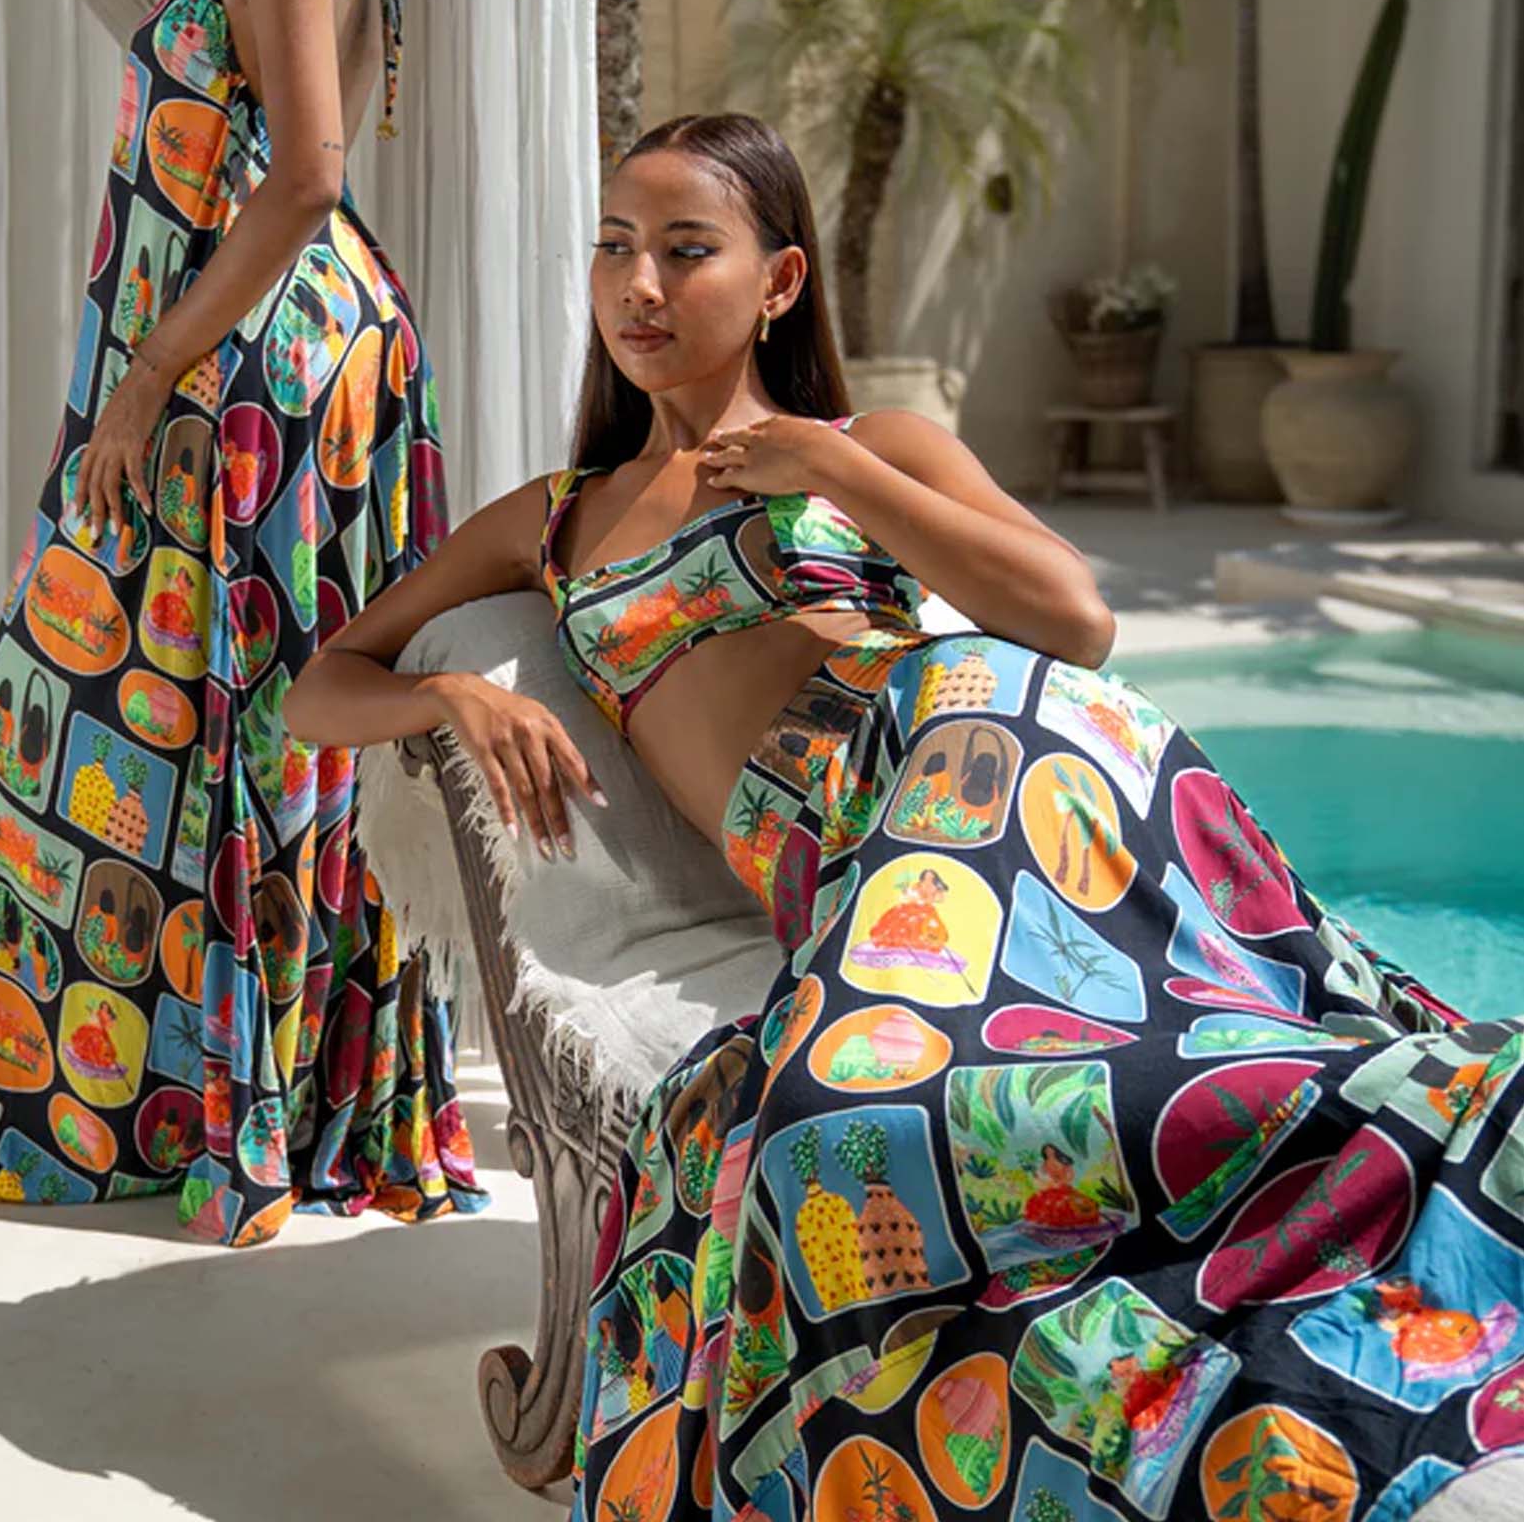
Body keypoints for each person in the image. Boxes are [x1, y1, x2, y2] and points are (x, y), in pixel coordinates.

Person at [286, 113, 1513, 1519]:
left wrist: (840, 474)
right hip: (849, 859)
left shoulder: (875, 446)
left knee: (1076, 1074)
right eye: (616, 248)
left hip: (990, 753)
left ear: (779, 280)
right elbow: (320, 688)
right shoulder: (555, 519)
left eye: (686, 250)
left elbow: (1073, 623)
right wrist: (453, 700)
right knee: (832, 1129)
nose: (640, 286)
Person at [0, 0, 486, 1247]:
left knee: (154, 712)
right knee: (253, 720)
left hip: (246, 358)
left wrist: (145, 376)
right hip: (317, 345)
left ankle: (227, 1106)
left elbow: (306, 177)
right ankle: (279, 1097)